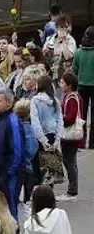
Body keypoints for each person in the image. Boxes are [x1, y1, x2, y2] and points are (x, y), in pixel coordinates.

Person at [0, 88, 26, 221]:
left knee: (10, 209)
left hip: (9, 176)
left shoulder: (12, 122)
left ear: (8, 103)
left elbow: (17, 152)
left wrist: (8, 173)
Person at [30, 75, 63, 187]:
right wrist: (57, 138)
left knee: (37, 167)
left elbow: (35, 121)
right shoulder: (55, 101)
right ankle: (49, 192)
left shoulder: (35, 100)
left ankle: (37, 193)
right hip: (52, 135)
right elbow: (59, 120)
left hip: (40, 137)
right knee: (50, 167)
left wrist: (43, 140)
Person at [57, 72, 84, 202]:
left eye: (62, 83)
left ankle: (72, 192)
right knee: (70, 161)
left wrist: (59, 120)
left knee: (69, 162)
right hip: (70, 136)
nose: (60, 85)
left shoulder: (72, 98)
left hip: (70, 136)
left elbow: (71, 118)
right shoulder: (70, 97)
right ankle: (72, 190)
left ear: (69, 85)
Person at [72, 25, 94, 148]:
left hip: (81, 86)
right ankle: (93, 143)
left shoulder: (79, 52)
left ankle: (81, 141)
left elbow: (74, 69)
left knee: (82, 115)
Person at [14, 99, 38, 207]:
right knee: (26, 202)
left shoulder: (14, 127)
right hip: (27, 167)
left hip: (16, 167)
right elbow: (32, 148)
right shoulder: (29, 128)